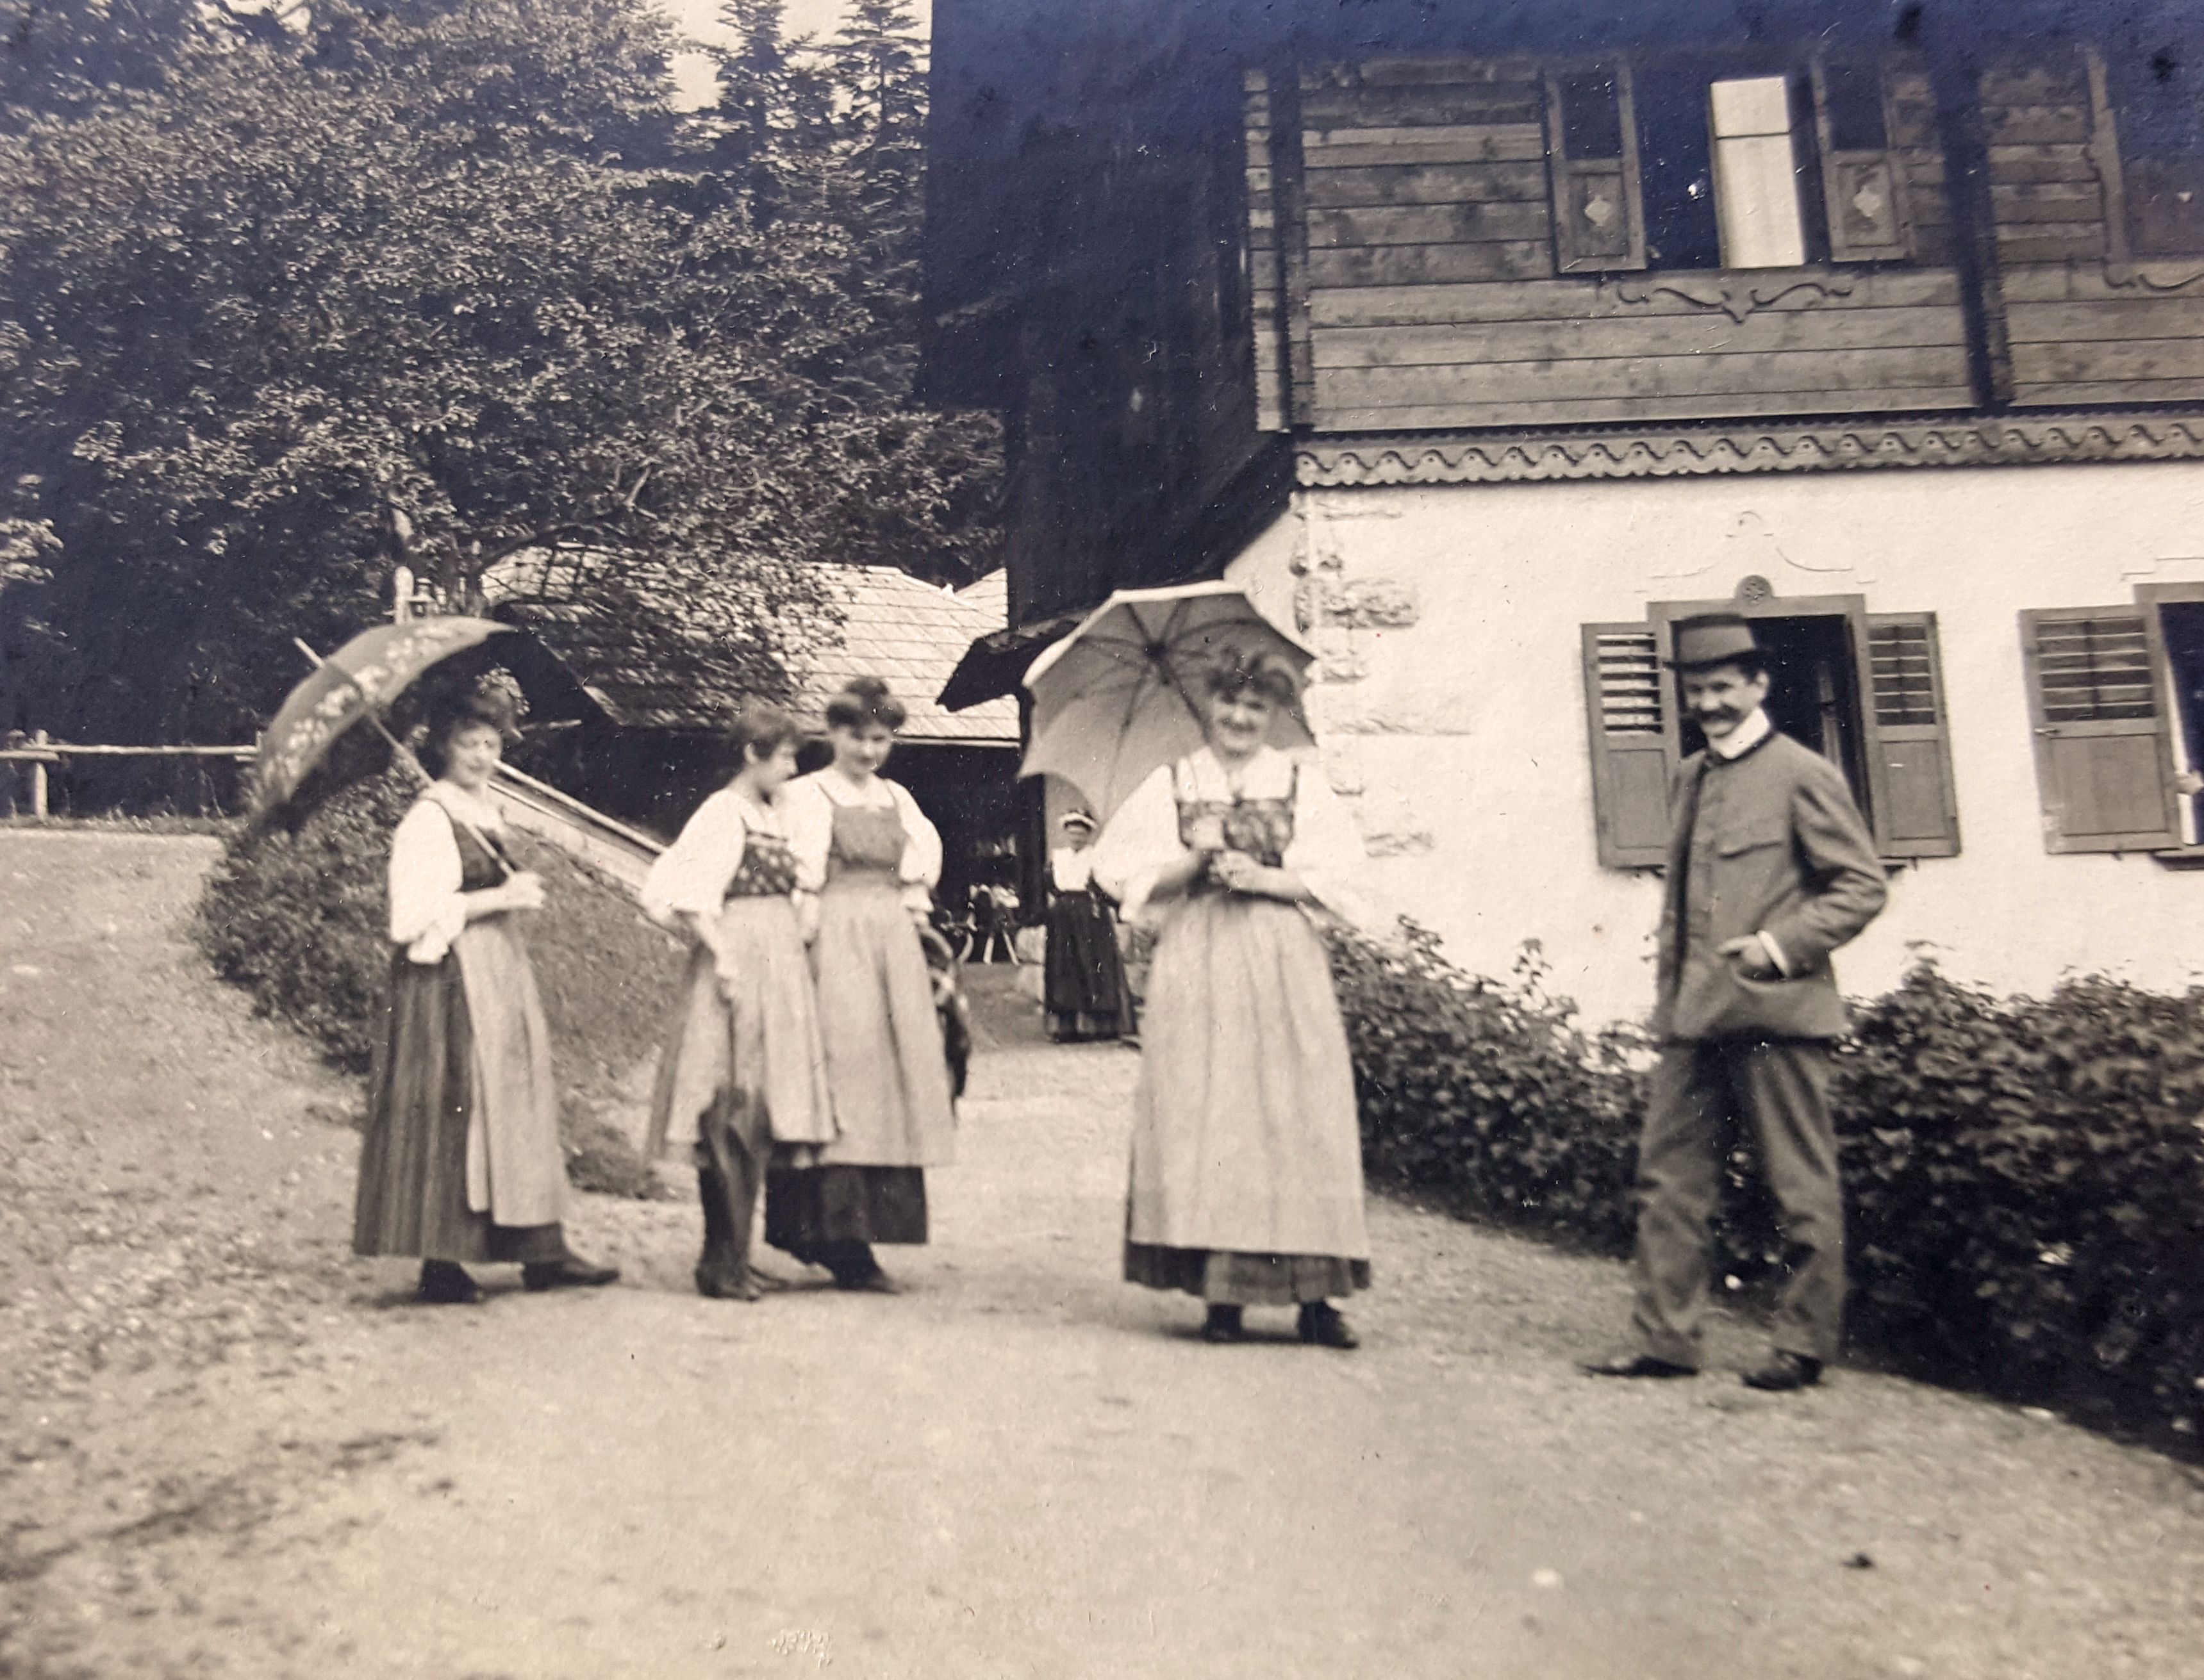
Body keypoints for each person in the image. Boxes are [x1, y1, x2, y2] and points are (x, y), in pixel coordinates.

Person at [1583, 612, 1887, 1392]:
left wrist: (1778, 945)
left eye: (1723, 687)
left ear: (1758, 685)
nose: (1710, 703)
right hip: (1695, 1017)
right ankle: (1664, 1341)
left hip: (1778, 1016)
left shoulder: (1802, 773)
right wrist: (1669, 1007)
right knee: (1669, 1180)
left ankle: (1803, 1344)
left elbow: (1860, 887)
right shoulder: (1690, 776)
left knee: (1799, 1183)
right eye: (1696, 690)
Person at [1090, 652, 1373, 1349]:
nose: (1240, 720)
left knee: (1298, 1109)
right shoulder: (1174, 780)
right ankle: (1222, 1295)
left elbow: (1347, 878)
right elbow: (1113, 869)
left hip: (1280, 957)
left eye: (1255, 708)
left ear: (1273, 714)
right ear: (1210, 704)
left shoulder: (1300, 779)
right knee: (1211, 1114)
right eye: (1229, 705)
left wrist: (1266, 877)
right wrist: (1189, 861)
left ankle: (1316, 1300)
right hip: (1200, 957)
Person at [352, 686, 620, 1304]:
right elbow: (409, 918)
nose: (481, 756)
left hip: (499, 972)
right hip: (447, 982)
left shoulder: (483, 809)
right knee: (459, 1111)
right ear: (442, 745)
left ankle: (541, 1252)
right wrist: (503, 897)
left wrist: (508, 893)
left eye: (492, 744)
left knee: (517, 1107)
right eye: (468, 743)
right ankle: (441, 1263)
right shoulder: (429, 818)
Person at [642, 703, 836, 1301]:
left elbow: (804, 880)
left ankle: (737, 1255)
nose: (791, 767)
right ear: (752, 754)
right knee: (728, 1109)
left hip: (778, 961)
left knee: (760, 1113)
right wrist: (723, 956)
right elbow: (687, 894)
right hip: (740, 963)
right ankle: (718, 1260)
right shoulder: (723, 813)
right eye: (783, 756)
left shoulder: (773, 814)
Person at [775, 676, 956, 1292]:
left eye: (881, 739)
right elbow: (798, 881)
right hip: (833, 938)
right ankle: (829, 1235)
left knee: (888, 1081)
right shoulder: (805, 796)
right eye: (857, 737)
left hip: (891, 946)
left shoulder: (898, 798)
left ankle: (867, 1231)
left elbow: (917, 877)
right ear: (831, 733)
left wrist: (917, 928)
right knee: (841, 1078)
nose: (869, 751)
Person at [1043, 811, 1131, 1042]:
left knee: (1093, 964)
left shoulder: (1096, 856)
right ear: (1066, 833)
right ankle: (1066, 1026)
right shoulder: (1058, 857)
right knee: (1065, 966)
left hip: (1090, 916)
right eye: (1072, 832)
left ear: (1088, 834)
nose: (1076, 837)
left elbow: (1105, 885)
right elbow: (1050, 884)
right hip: (1063, 917)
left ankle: (1098, 1025)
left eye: (1081, 832)